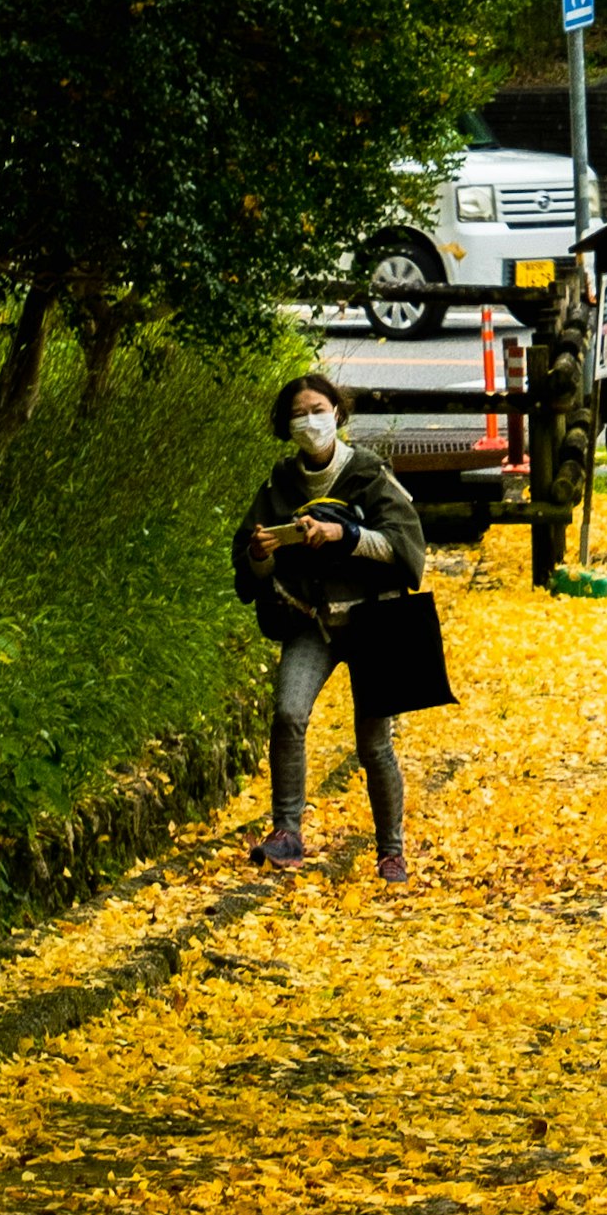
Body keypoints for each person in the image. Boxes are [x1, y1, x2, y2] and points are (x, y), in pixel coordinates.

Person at [233, 371, 429, 879]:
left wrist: (344, 535)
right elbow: (250, 568)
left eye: (318, 409)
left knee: (373, 745)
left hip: (374, 620)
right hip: (309, 621)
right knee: (288, 714)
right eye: (298, 414)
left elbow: (405, 549)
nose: (310, 421)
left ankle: (391, 851)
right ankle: (286, 833)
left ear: (338, 413)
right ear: (285, 426)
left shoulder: (369, 472)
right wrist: (259, 553)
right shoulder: (278, 484)